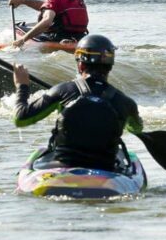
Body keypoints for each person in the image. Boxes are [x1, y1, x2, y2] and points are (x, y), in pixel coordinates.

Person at [12, 34, 143, 172]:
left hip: (64, 166)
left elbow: (21, 118)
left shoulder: (62, 91)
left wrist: (22, 86)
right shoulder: (125, 102)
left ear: (80, 64)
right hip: (106, 169)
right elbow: (137, 129)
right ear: (110, 65)